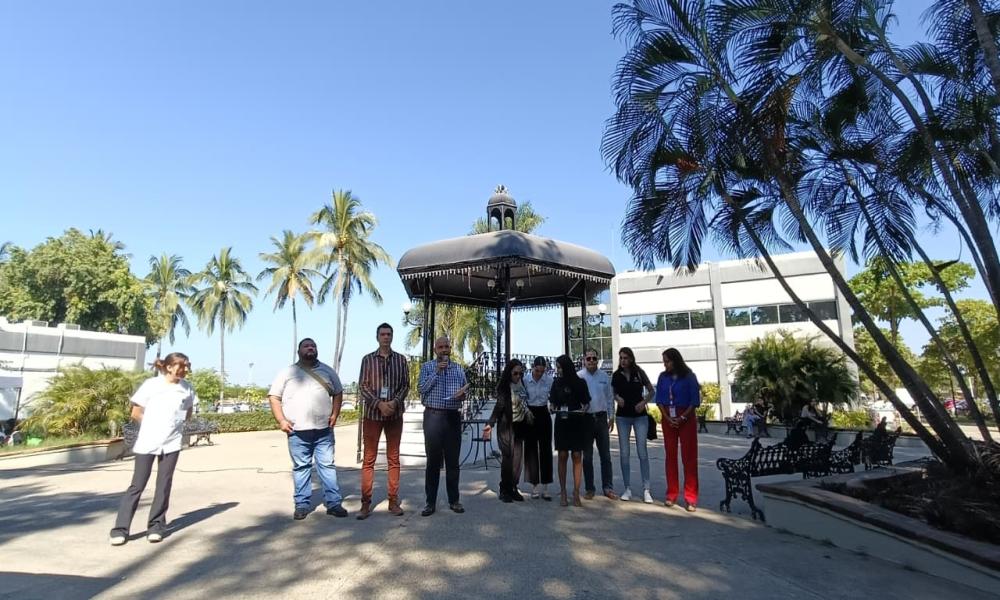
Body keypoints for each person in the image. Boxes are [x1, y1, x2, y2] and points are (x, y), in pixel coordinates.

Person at [110, 352, 195, 546]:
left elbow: (187, 412)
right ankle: (120, 529)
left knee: (164, 484)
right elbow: (136, 412)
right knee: (137, 485)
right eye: (182, 366)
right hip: (148, 442)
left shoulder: (186, 388)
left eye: (187, 366)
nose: (185, 370)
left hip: (172, 443)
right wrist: (153, 424)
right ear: (170, 367)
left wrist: (176, 423)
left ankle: (156, 526)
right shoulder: (152, 385)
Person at [268, 338, 348, 521]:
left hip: (323, 430)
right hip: (296, 431)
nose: (310, 348)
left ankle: (334, 503)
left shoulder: (327, 371)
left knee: (327, 466)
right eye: (307, 346)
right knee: (301, 467)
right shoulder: (288, 372)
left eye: (313, 346)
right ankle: (302, 505)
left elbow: (338, 392)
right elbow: (274, 397)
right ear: (299, 351)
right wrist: (281, 420)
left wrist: (335, 414)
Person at [356, 322, 410, 520]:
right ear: (377, 337)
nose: (386, 337)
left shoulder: (401, 360)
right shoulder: (367, 360)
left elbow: (406, 385)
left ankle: (393, 501)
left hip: (395, 415)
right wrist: (379, 404)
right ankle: (365, 503)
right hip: (373, 415)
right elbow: (363, 386)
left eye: (389, 334)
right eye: (382, 334)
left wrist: (395, 402)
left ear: (392, 337)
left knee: (393, 458)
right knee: (369, 459)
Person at [418, 336, 469, 516]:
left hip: (452, 417)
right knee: (433, 462)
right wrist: (437, 373)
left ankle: (454, 500)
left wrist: (462, 395)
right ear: (435, 350)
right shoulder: (427, 368)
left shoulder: (458, 369)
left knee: (453, 462)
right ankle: (430, 502)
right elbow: (422, 390)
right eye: (441, 347)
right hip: (433, 416)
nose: (444, 349)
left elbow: (465, 390)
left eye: (447, 346)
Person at [654, 348, 701, 512]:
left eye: (667, 361)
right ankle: (672, 493)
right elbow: (659, 399)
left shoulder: (689, 376)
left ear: (675, 360)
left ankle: (691, 497)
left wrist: (682, 418)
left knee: (689, 456)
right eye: (664, 361)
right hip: (668, 416)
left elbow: (694, 401)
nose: (665, 364)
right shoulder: (662, 377)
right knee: (670, 456)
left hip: (686, 417)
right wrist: (667, 417)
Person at [483, 359, 532, 503]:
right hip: (506, 427)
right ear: (509, 373)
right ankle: (504, 489)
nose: (517, 376)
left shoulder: (522, 386)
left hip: (520, 427)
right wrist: (490, 424)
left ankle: (513, 487)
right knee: (508, 459)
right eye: (515, 373)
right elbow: (499, 407)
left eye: (520, 373)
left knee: (518, 461)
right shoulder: (504, 387)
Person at [611, 347, 655, 503]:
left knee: (642, 451)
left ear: (631, 358)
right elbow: (612, 392)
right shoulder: (616, 375)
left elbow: (651, 391)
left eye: (625, 358)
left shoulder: (639, 372)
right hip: (623, 417)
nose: (623, 360)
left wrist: (644, 402)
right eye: (621, 357)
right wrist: (617, 398)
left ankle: (646, 489)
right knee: (624, 453)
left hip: (639, 416)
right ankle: (627, 488)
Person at [549, 354, 592, 507]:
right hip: (562, 422)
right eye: (557, 367)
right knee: (562, 455)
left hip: (577, 421)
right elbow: (552, 402)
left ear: (566, 367)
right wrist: (552, 408)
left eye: (560, 367)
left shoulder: (580, 383)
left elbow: (586, 402)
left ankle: (576, 491)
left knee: (576, 455)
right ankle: (563, 492)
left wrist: (583, 410)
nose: (558, 370)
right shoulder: (556, 383)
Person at [579, 348, 617, 500]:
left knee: (605, 456)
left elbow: (609, 398)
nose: (591, 361)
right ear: (584, 360)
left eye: (594, 358)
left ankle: (608, 487)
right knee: (587, 457)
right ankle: (589, 488)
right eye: (588, 358)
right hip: (586, 420)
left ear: (598, 360)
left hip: (601, 419)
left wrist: (611, 416)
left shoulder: (604, 377)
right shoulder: (579, 376)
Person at [523, 356, 554, 500]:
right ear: (533, 367)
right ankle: (534, 485)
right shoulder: (525, 379)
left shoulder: (549, 380)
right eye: (537, 371)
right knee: (531, 449)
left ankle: (546, 486)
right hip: (530, 413)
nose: (539, 374)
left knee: (546, 449)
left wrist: (553, 404)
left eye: (542, 371)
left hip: (543, 412)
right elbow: (521, 398)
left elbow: (553, 398)